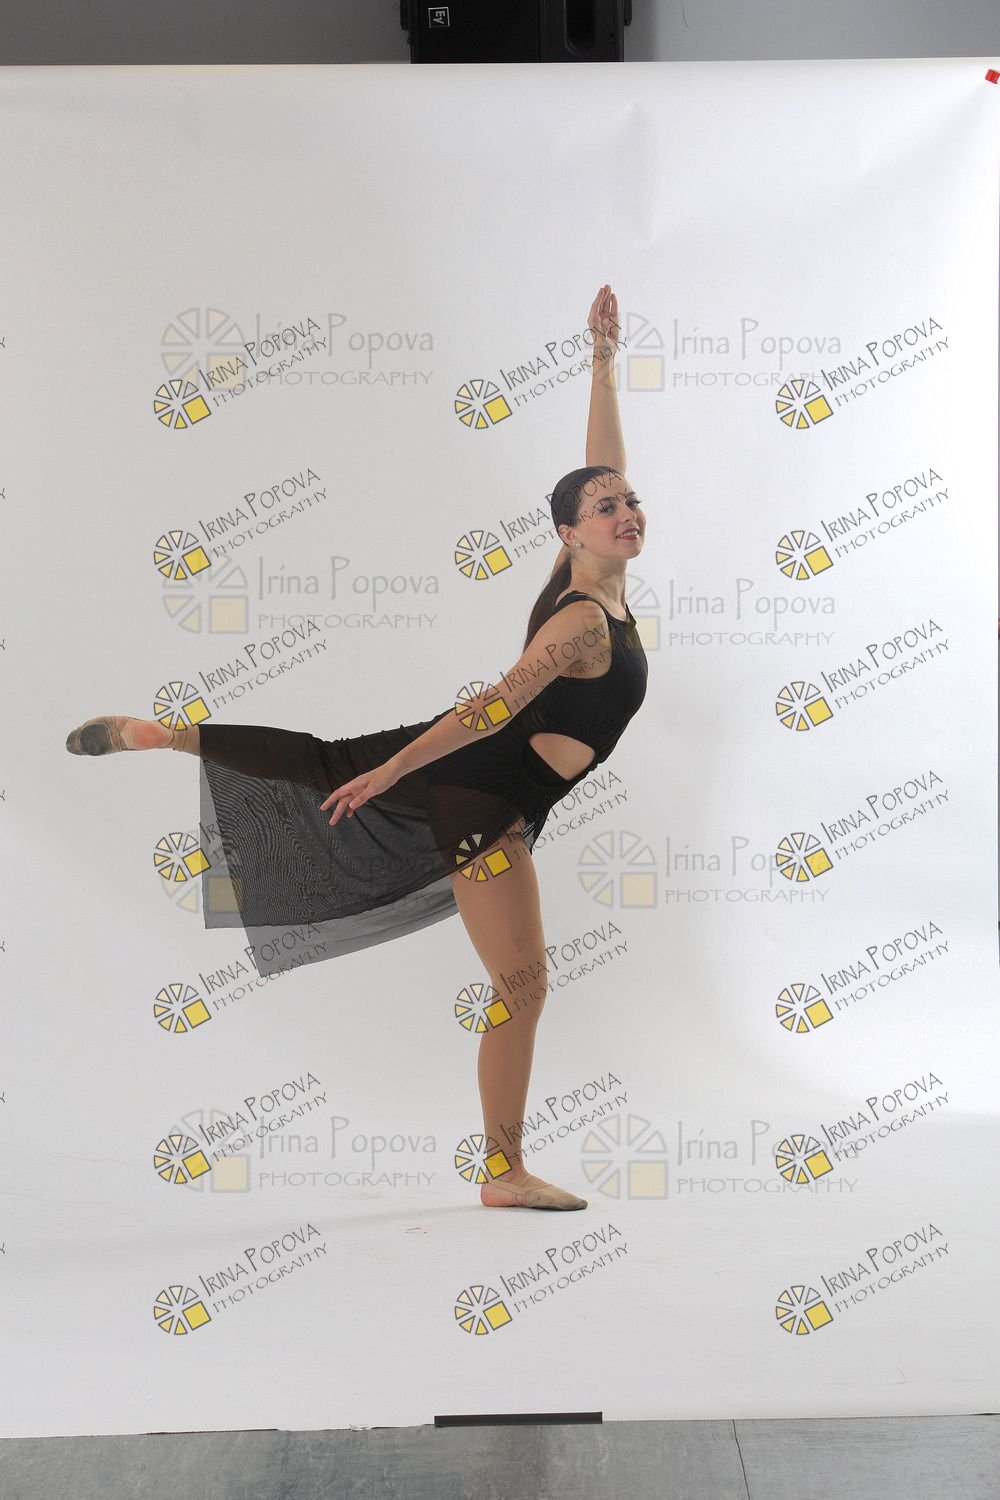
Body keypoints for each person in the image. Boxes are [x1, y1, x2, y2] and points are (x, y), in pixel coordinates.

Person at [65, 284, 648, 1212]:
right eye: (608, 505)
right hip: (481, 798)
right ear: (570, 533)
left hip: (485, 776)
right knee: (522, 984)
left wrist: (603, 360)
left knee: (321, 758)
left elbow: (598, 463)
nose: (627, 509)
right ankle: (502, 1173)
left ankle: (167, 732)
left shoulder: (592, 579)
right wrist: (397, 771)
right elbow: (493, 707)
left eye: (631, 500)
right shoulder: (579, 621)